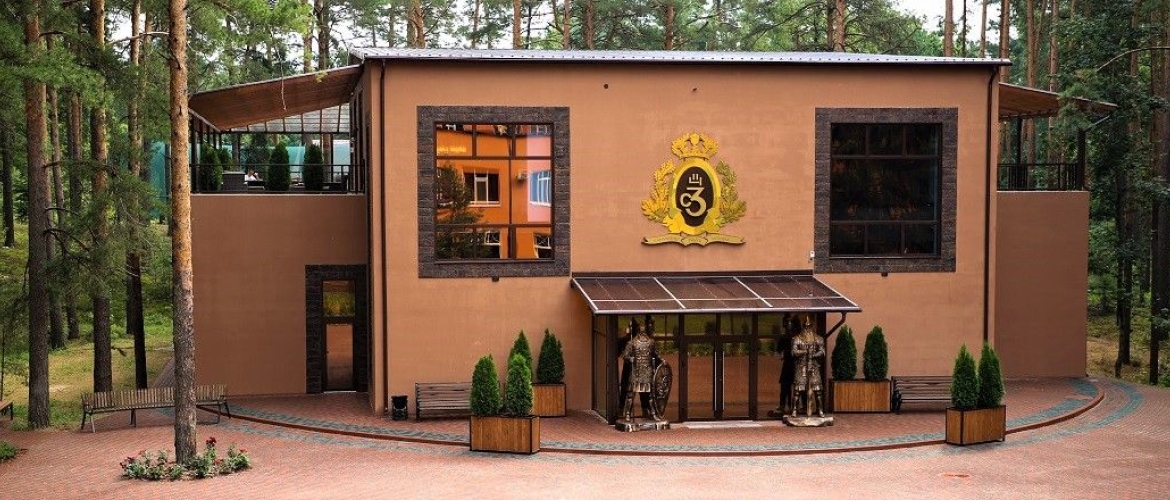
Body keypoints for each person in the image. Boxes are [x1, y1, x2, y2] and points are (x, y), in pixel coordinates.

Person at [618, 318, 664, 424]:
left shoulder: (651, 342)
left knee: (650, 395)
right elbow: (625, 355)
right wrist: (630, 359)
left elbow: (656, 354)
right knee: (631, 395)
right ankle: (627, 414)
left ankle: (652, 413)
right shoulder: (632, 343)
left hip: (646, 371)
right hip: (636, 371)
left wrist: (662, 361)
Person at [789, 316, 826, 418]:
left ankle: (820, 410)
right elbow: (793, 352)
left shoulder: (818, 338)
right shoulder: (797, 338)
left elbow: (822, 351)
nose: (807, 327)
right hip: (801, 366)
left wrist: (814, 355)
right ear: (803, 326)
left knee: (818, 391)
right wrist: (804, 351)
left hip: (813, 366)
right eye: (806, 326)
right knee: (797, 391)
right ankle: (794, 410)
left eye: (809, 326)